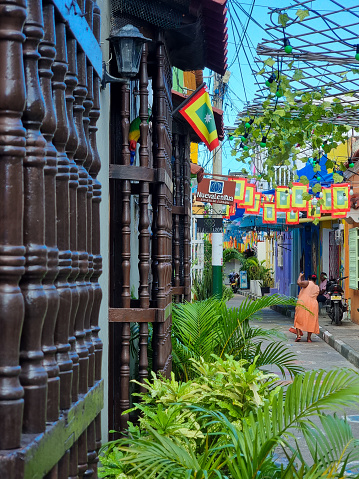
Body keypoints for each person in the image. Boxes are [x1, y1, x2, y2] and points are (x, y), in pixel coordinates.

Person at [292, 273, 320, 342]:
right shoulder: (317, 287)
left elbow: (299, 283)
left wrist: (300, 276)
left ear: (309, 279)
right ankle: (309, 338)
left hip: (303, 302)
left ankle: (298, 335)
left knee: (298, 318)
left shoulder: (308, 282)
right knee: (311, 320)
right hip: (313, 304)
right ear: (315, 280)